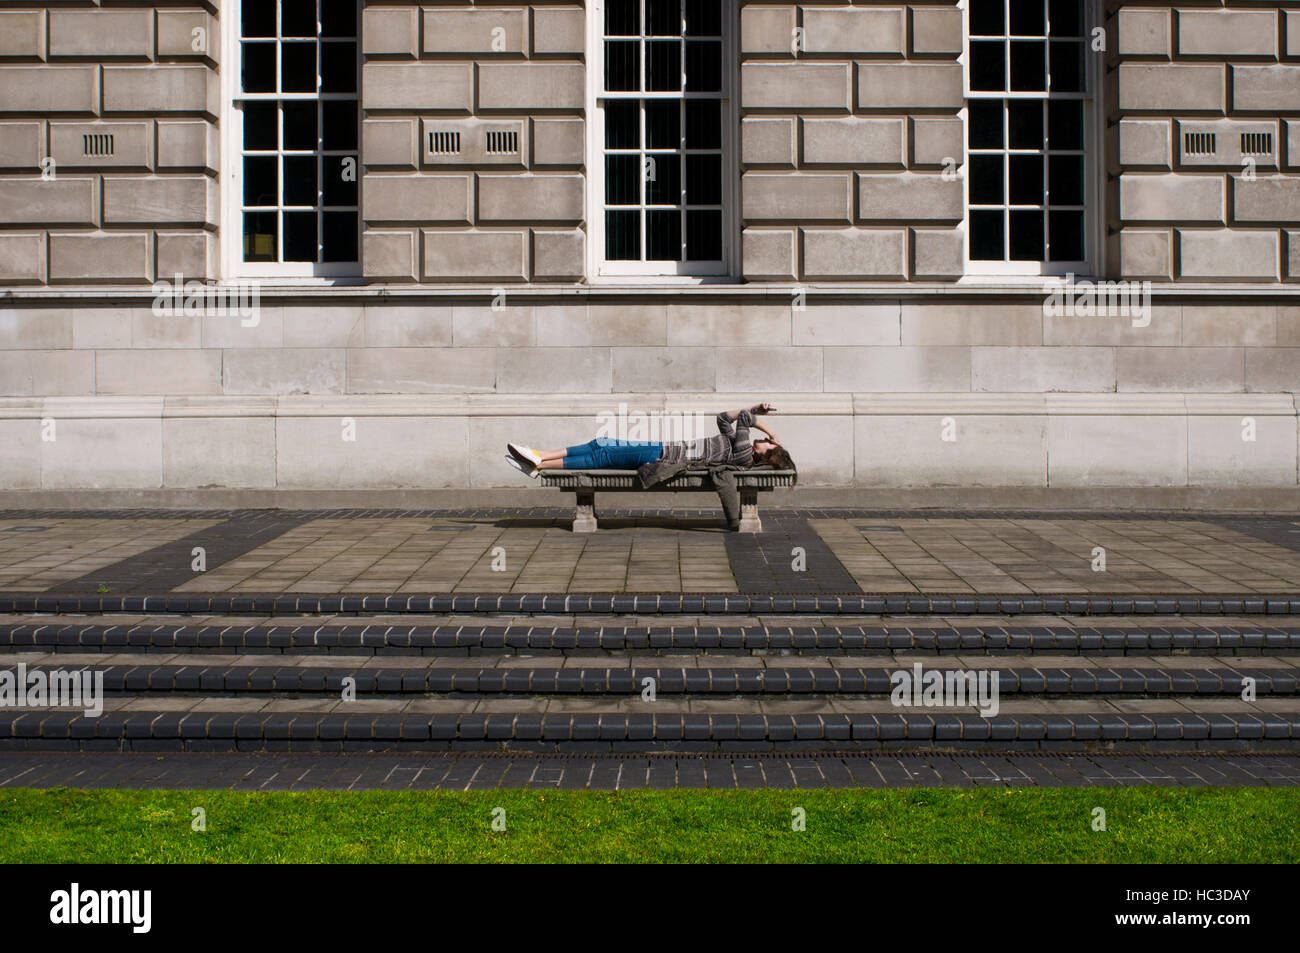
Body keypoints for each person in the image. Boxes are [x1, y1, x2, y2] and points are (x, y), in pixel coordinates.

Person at [504, 403, 796, 478]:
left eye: (768, 445)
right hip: (664, 450)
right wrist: (753, 413)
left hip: (662, 455)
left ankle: (540, 460)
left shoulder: (744, 455)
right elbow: (724, 418)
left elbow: (744, 418)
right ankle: (539, 459)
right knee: (600, 446)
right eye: (766, 440)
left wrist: (769, 430)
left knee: (602, 451)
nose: (763, 441)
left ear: (767, 454)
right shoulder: (737, 448)